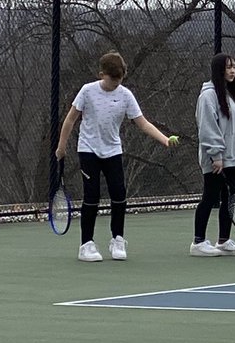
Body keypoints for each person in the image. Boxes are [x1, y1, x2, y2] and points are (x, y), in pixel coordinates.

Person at [54, 51, 179, 262]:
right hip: (88, 150)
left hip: (113, 151)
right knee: (91, 197)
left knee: (119, 195)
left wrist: (165, 140)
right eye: (113, 79)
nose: (116, 83)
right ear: (101, 74)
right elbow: (70, 120)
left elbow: (143, 123)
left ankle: (118, 239)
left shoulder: (126, 95)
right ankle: (86, 244)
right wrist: (61, 146)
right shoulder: (87, 91)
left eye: (119, 79)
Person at [191, 54, 235, 257]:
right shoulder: (208, 96)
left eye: (234, 67)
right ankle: (198, 242)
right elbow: (207, 127)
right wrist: (216, 155)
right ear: (218, 69)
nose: (232, 71)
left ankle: (223, 241)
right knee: (210, 197)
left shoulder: (234, 96)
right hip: (217, 160)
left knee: (230, 200)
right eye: (228, 67)